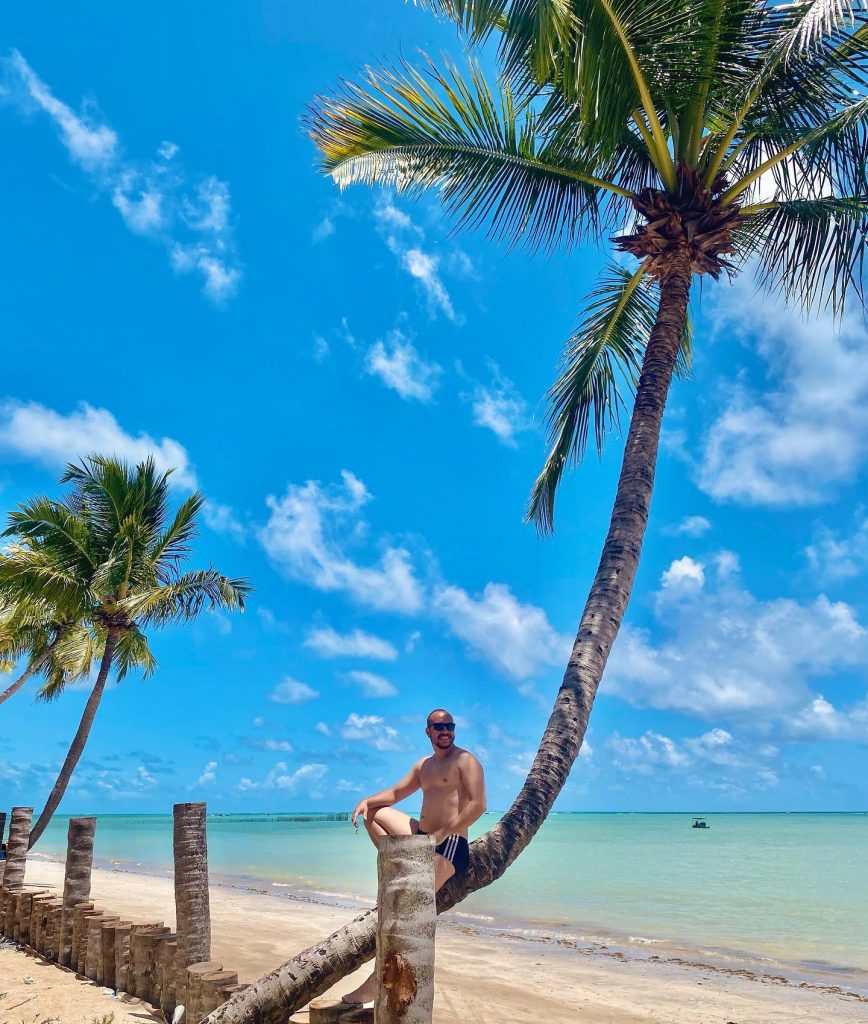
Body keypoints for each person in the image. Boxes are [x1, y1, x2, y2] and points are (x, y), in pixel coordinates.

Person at [342, 707, 487, 1006]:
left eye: (450, 726)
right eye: (439, 726)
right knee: (374, 814)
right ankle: (401, 865)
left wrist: (446, 831)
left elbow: (478, 805)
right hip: (422, 838)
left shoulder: (466, 760)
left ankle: (375, 983)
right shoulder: (424, 765)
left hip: (449, 845)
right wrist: (365, 801)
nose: (445, 731)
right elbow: (395, 793)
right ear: (428, 732)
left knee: (405, 910)